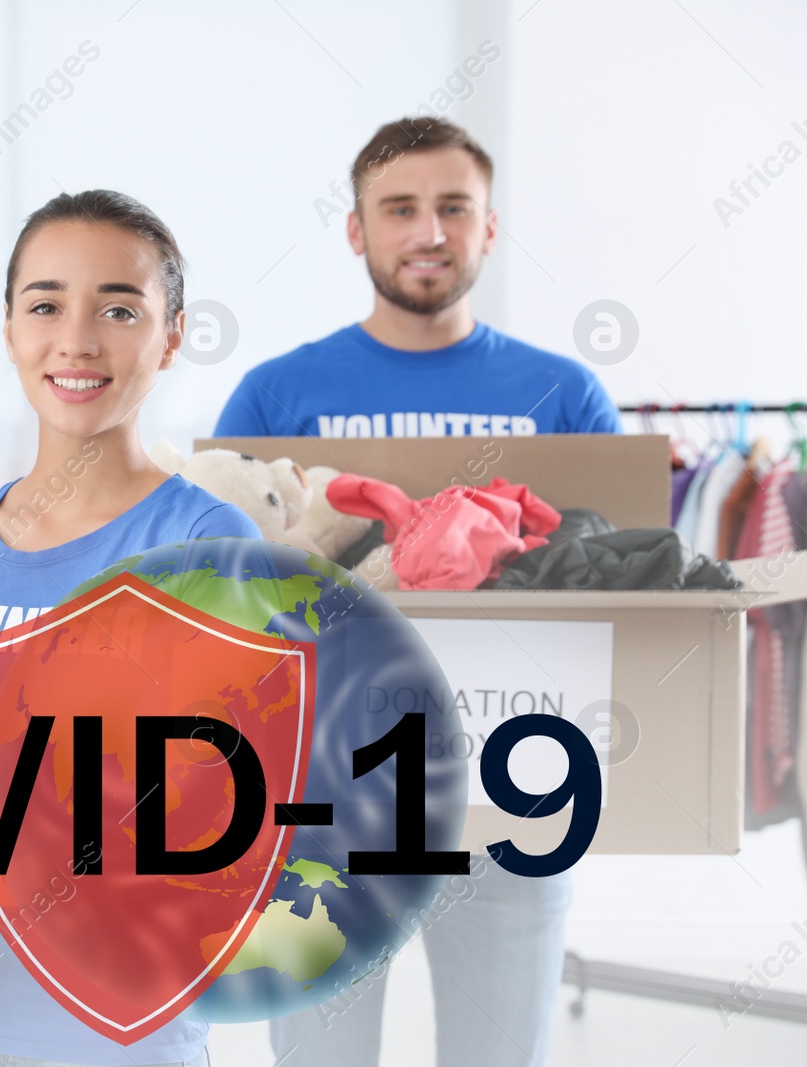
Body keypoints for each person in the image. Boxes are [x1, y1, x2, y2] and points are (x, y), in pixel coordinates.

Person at [215, 117, 620, 1067]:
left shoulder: (566, 397)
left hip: (513, 792)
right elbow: (223, 598)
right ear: (356, 230)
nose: (428, 232)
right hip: (321, 803)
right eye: (399, 209)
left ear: (489, 228)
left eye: (453, 208)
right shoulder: (275, 396)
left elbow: (612, 596)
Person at [0, 189, 261, 1066]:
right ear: (9, 328)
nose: (77, 339)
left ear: (172, 333)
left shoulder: (205, 547)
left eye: (120, 308)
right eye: (45, 304)